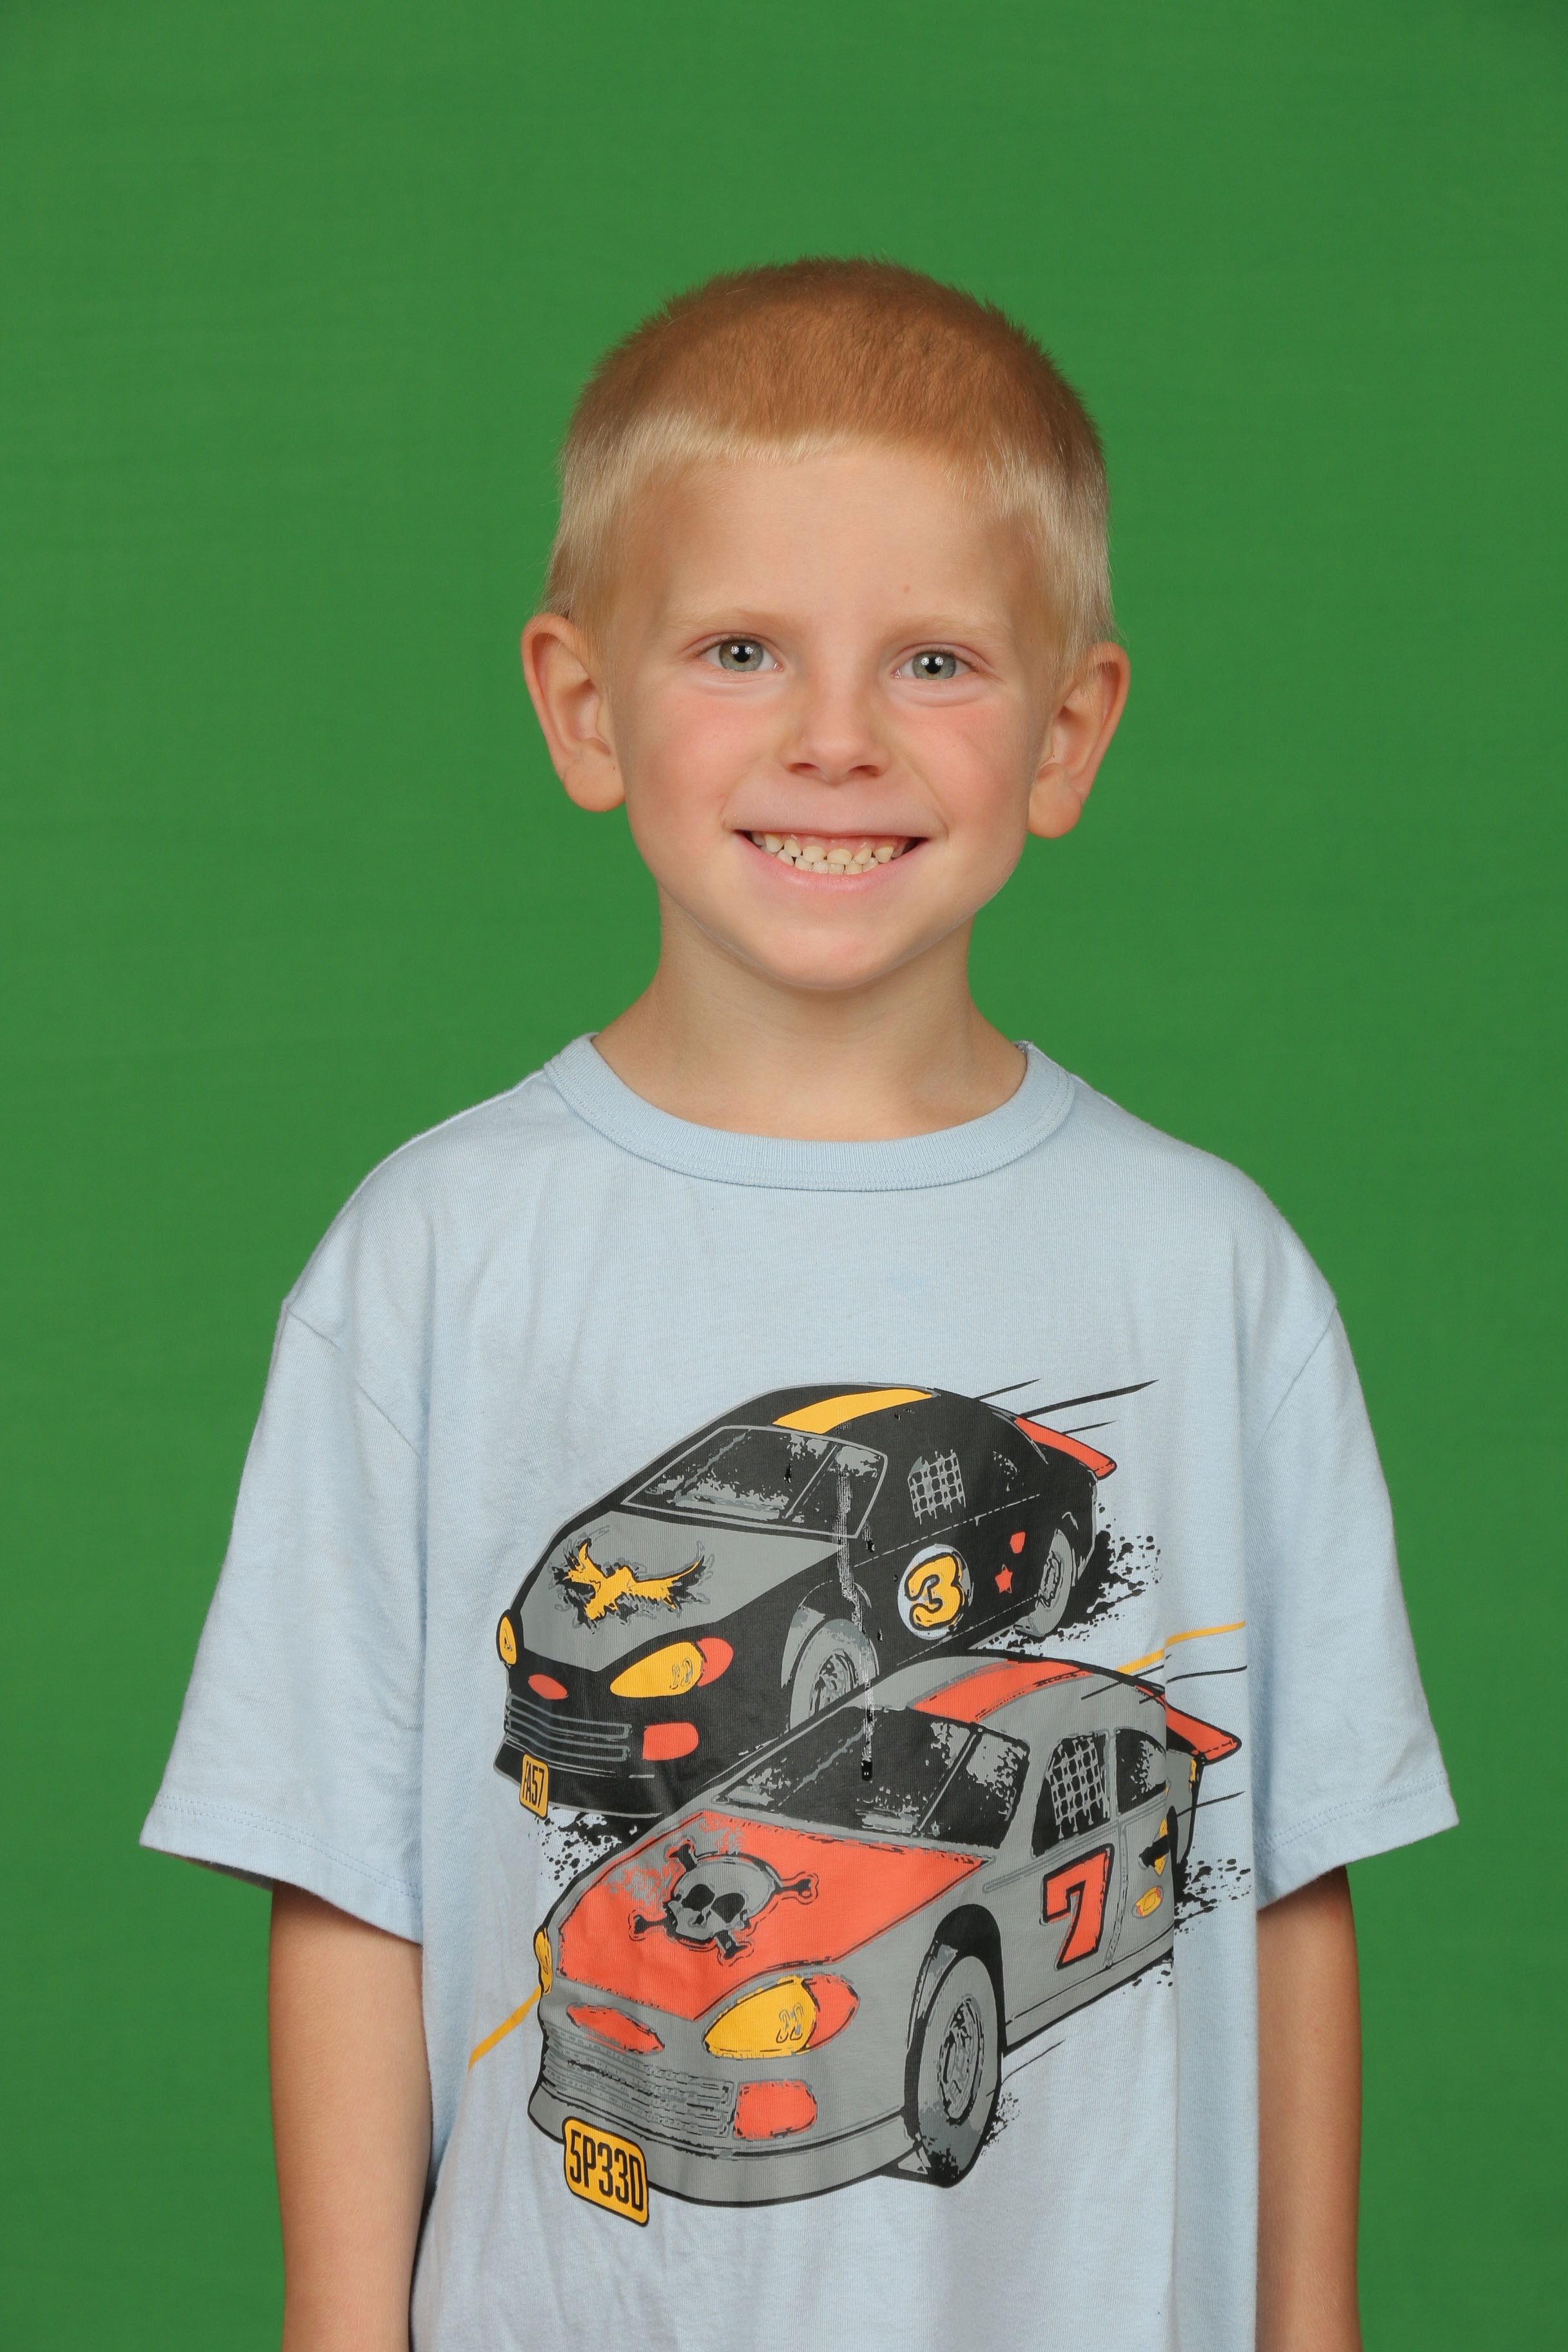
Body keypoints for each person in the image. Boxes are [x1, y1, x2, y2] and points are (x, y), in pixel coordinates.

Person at [142, 259, 1456, 2352]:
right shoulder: (434, 1257)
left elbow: (1286, 1883)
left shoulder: (1214, 1273)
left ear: (1066, 733)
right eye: (741, 648)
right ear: (587, 708)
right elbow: (345, 1879)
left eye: (934, 660)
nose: (835, 738)